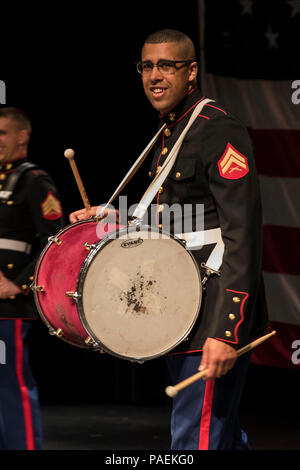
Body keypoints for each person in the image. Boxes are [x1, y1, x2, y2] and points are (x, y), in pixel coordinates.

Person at [69, 29, 268, 450]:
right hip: (182, 308)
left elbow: (242, 236)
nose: (154, 75)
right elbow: (177, 222)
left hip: (212, 312)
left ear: (191, 71)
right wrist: (116, 217)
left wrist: (226, 330)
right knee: (221, 437)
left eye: (167, 65)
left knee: (197, 438)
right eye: (147, 66)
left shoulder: (217, 129)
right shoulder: (171, 131)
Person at [0, 106, 65, 450]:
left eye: (2, 133)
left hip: (9, 307)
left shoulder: (34, 181)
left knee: (11, 385)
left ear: (21, 136)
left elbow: (55, 243)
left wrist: (19, 283)